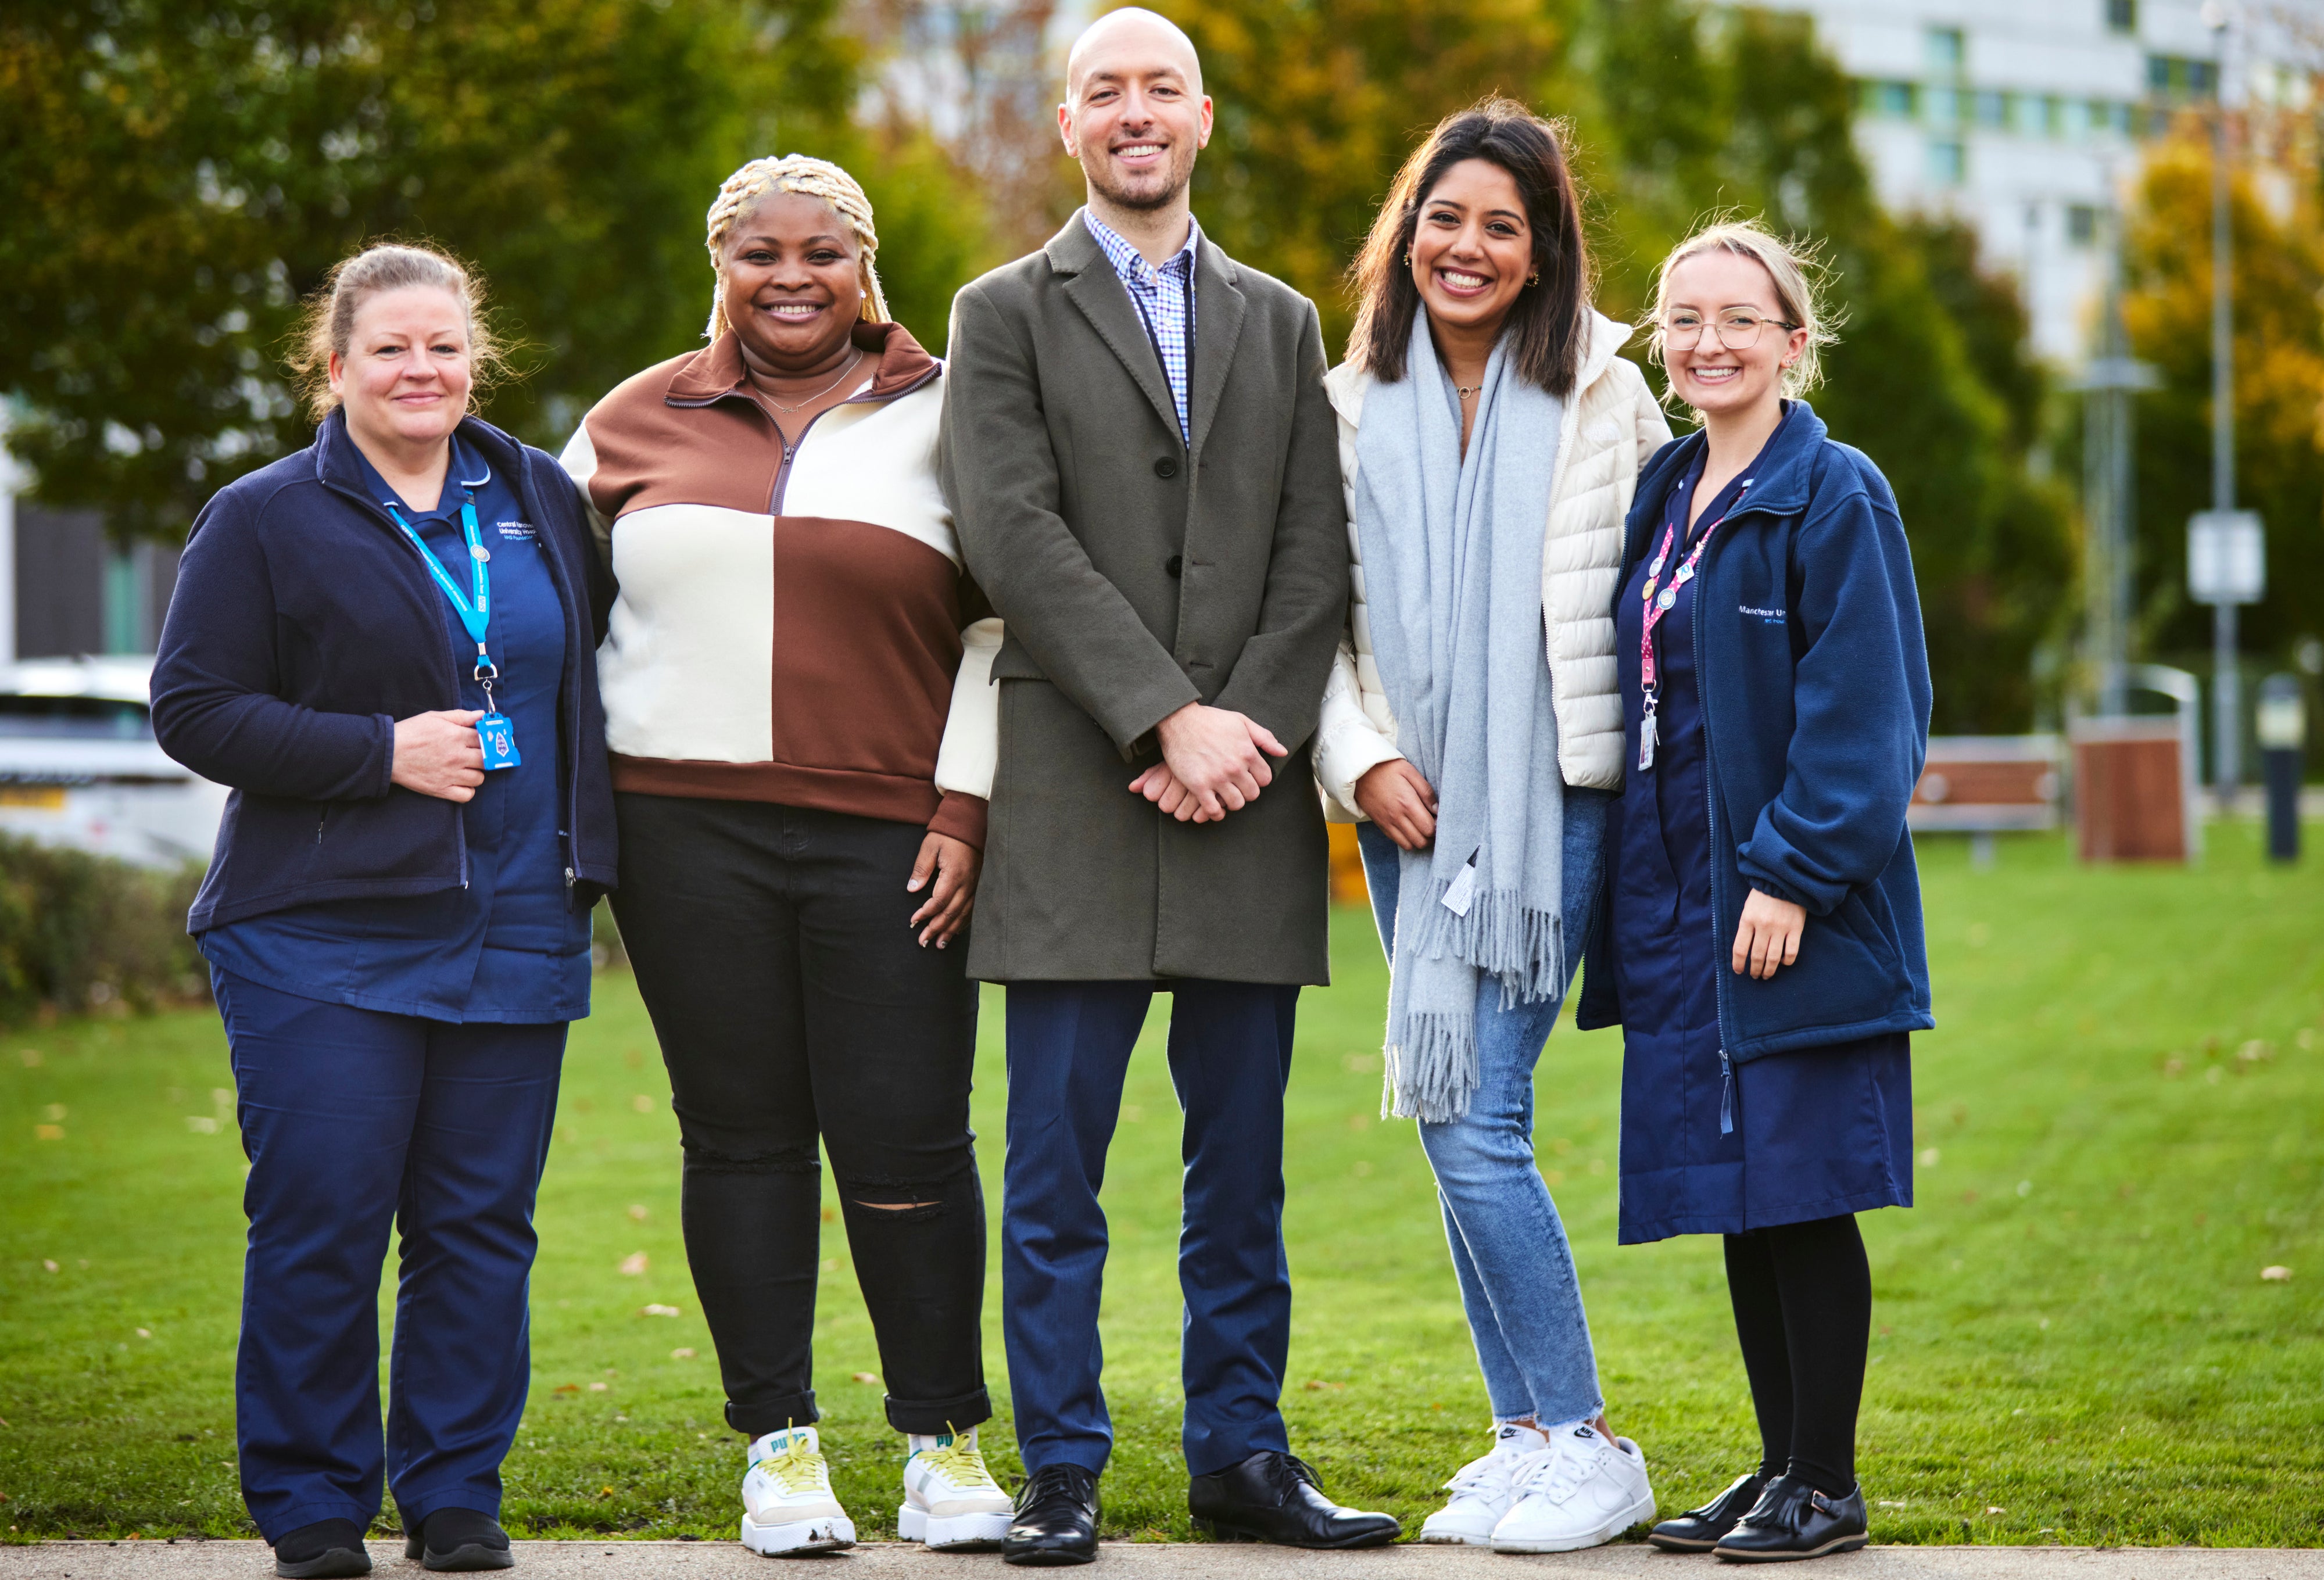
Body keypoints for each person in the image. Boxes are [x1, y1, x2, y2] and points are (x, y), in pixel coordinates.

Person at [937, 9, 1397, 1564]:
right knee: (1053, 1173)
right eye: (1106, 93)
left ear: (1206, 120)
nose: (1136, 114)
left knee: (1242, 1181)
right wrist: (1161, 722)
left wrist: (1242, 731)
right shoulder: (1000, 311)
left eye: (1163, 90)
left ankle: (1242, 1460)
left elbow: (1313, 551)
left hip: (1246, 803)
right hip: (1076, 797)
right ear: (1066, 126)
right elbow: (1013, 533)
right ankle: (1059, 1470)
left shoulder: (1278, 322)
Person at [557, 155, 1012, 1558]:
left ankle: (941, 1448)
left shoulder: (954, 411)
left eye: (823, 249)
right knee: (741, 1139)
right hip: (681, 835)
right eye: (761, 251)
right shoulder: (631, 419)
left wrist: (964, 807)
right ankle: (780, 1450)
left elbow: (1005, 626)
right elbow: (550, 620)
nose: (792, 273)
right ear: (722, 264)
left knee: (910, 1142)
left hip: (894, 833)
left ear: (866, 265)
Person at [150, 243, 617, 1578]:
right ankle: (310, 1504)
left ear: (478, 358)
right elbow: (192, 709)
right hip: (319, 931)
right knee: (325, 1214)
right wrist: (380, 751)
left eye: (446, 346)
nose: (424, 370)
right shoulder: (262, 515)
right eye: (392, 348)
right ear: (336, 363)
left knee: (480, 1224)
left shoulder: (534, 492)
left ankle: (456, 1491)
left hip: (520, 916)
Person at [1312, 99, 1671, 1554]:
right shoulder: (1342, 406)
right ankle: (1522, 1437)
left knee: (1474, 1119)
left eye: (1499, 227)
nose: (1465, 246)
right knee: (1450, 1113)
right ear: (1407, 234)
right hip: (1411, 807)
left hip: (1551, 805)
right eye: (1443, 218)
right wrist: (1362, 766)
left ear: (1540, 256)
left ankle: (1584, 1436)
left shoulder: (1608, 397)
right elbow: (1314, 625)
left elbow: (1652, 605)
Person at [1574, 218, 1933, 1563]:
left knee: (1801, 1183)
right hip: (1678, 903)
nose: (1707, 341)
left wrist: (1788, 872)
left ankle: (1826, 1484)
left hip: (1791, 906)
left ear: (1793, 340)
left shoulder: (1833, 492)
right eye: (1682, 319)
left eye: (1737, 317)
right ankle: (1779, 1463)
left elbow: (1870, 713)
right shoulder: (1668, 489)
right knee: (1739, 1188)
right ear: (1660, 346)